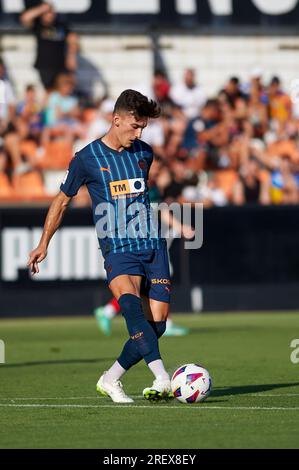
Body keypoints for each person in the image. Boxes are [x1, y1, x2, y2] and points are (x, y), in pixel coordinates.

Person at [27, 89, 194, 403]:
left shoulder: (145, 153)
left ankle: (110, 378)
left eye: (142, 127)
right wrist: (43, 243)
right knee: (129, 305)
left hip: (153, 246)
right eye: (134, 126)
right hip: (118, 248)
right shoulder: (86, 159)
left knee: (155, 327)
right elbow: (62, 201)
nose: (139, 132)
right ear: (116, 120)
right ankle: (162, 376)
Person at [20, 2, 74, 90]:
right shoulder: (38, 25)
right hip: (45, 66)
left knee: (64, 90)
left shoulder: (60, 25)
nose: (50, 14)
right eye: (48, 12)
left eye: (52, 12)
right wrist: (41, 8)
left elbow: (72, 38)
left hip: (61, 65)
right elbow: (25, 18)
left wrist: (71, 56)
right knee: (50, 91)